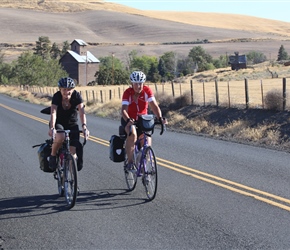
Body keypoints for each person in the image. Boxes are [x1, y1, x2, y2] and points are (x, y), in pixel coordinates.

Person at [121, 70, 166, 170]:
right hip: (128, 119)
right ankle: (130, 162)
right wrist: (128, 120)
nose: (138, 86)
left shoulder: (147, 91)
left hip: (143, 119)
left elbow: (154, 106)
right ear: (132, 83)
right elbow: (123, 110)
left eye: (140, 83)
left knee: (147, 140)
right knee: (132, 134)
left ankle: (144, 167)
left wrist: (160, 118)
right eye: (136, 83)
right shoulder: (127, 93)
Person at [48, 77, 89, 170]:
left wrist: (84, 127)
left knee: (73, 152)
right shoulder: (57, 96)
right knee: (61, 136)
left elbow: (82, 112)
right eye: (64, 89)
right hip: (59, 123)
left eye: (69, 89)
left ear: (73, 89)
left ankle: (70, 180)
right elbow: (53, 112)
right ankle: (53, 155)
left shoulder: (77, 96)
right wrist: (52, 127)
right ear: (60, 89)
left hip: (72, 124)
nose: (67, 92)